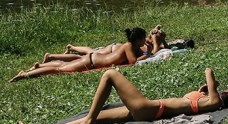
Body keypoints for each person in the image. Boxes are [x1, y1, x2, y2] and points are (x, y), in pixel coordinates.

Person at [18, 68, 228, 124]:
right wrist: (202, 91)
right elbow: (193, 98)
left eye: (222, 92)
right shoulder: (208, 100)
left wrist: (212, 84)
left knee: (109, 74)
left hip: (150, 108)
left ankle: (86, 123)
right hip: (149, 110)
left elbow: (208, 70)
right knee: (95, 117)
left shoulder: (214, 104)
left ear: (223, 97)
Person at [9, 28, 149, 82]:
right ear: (137, 40)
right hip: (91, 62)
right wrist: (147, 54)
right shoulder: (129, 46)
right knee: (59, 70)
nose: (144, 41)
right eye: (143, 39)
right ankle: (25, 75)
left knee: (62, 65)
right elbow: (133, 63)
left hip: (93, 59)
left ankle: (36, 68)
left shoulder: (128, 45)